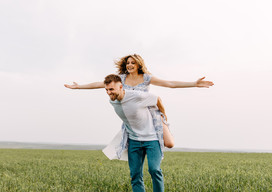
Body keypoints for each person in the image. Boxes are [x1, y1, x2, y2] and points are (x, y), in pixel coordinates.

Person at [64, 54, 214, 151]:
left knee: (169, 144)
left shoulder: (146, 78)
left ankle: (164, 125)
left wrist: (194, 83)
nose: (129, 65)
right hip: (134, 117)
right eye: (128, 63)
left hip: (151, 113)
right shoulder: (121, 78)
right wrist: (78, 87)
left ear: (138, 65)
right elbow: (100, 84)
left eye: (133, 63)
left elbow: (170, 83)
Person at [104, 74, 164, 192]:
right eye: (106, 90)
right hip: (134, 141)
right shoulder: (113, 101)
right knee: (135, 175)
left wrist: (163, 116)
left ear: (121, 87)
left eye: (111, 89)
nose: (108, 92)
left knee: (154, 170)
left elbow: (157, 99)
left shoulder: (136, 96)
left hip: (151, 139)